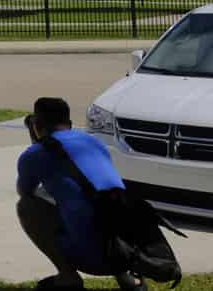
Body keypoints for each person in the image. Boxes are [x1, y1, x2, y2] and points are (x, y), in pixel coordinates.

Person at [17, 97, 141, 291]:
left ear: (36, 125)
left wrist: (36, 142)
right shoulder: (94, 143)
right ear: (71, 125)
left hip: (90, 259)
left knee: (26, 206)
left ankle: (68, 276)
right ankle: (128, 280)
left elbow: (25, 192)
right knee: (95, 198)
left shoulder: (34, 154)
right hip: (127, 252)